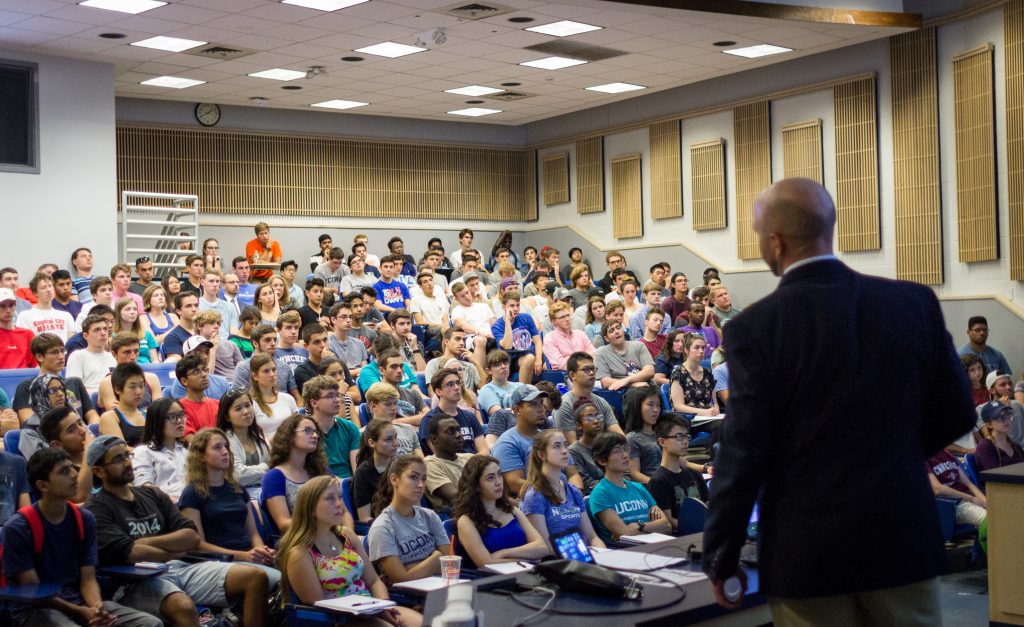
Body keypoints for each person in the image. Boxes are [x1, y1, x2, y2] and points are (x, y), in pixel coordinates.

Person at [702, 178, 975, 622]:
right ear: (829, 227)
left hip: (807, 547)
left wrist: (721, 554)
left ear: (775, 241)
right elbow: (957, 411)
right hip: (900, 531)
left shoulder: (755, 328)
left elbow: (744, 450)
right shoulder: (912, 302)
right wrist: (893, 455)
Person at [84, 435, 271, 627]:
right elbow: (129, 552)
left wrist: (144, 542)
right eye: (117, 459)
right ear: (99, 471)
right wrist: (174, 548)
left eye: (126, 456)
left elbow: (190, 536)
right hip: (135, 581)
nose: (127, 463)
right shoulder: (97, 508)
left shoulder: (152, 494)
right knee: (183, 606)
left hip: (181, 566)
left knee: (255, 578)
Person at [2, 448, 163, 627]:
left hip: (81, 604)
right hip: (35, 611)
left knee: (150, 623)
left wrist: (97, 608)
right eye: (64, 471)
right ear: (43, 485)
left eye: (72, 467)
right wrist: (82, 612)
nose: (74, 475)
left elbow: (88, 578)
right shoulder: (18, 528)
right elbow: (36, 594)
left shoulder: (84, 519)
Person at [276, 475, 422, 627]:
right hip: (340, 619)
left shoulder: (346, 535)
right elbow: (318, 604)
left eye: (339, 497)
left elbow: (373, 581)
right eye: (330, 499)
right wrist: (373, 613)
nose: (339, 504)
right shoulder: (300, 553)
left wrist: (384, 606)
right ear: (311, 509)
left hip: (372, 609)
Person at [177, 429, 280, 582]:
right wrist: (242, 556)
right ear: (201, 456)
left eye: (226, 447)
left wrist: (260, 551)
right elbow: (198, 545)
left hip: (247, 556)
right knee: (277, 580)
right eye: (217, 447)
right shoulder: (192, 493)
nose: (225, 452)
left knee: (295, 571)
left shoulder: (237, 489)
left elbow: (253, 534)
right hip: (218, 562)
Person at [366, 455, 452, 584]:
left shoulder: (430, 516)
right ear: (394, 480)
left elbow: (451, 563)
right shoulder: (382, 527)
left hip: (441, 586)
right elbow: (401, 579)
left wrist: (412, 569)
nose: (421, 484)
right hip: (412, 598)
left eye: (424, 479)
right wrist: (436, 557)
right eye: (413, 477)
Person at [453, 455, 549, 568]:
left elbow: (542, 548)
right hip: (494, 581)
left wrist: (504, 553)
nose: (498, 482)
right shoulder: (466, 521)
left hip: (527, 575)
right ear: (475, 485)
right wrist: (528, 559)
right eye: (490, 478)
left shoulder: (513, 510)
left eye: (499, 474)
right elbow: (485, 564)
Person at [519, 430, 605, 551]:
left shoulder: (574, 491)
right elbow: (547, 548)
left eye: (565, 445)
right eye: (557, 446)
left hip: (585, 556)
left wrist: (605, 555)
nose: (565, 451)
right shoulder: (535, 496)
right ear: (541, 454)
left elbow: (592, 537)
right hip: (561, 564)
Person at [261, 414, 343, 535]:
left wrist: (346, 537)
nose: (315, 435)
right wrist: (323, 530)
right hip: (301, 542)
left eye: (316, 432)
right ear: (290, 436)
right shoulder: (274, 477)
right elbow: (284, 524)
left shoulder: (322, 470)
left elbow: (344, 513)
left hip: (334, 535)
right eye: (308, 431)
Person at [587, 432, 672, 543]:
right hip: (623, 553)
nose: (625, 455)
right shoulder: (600, 493)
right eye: (617, 451)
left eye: (625, 449)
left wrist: (639, 526)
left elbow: (666, 526)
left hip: (654, 546)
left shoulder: (639, 487)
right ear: (602, 460)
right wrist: (653, 527)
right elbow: (625, 535)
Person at [14, 334, 97, 424]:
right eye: (54, 352)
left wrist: (90, 431)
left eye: (62, 351)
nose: (61, 356)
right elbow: (28, 422)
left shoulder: (74, 382)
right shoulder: (27, 386)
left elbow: (93, 416)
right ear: (39, 357)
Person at [647, 414, 708, 532]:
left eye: (687, 436)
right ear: (662, 442)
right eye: (679, 437)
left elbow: (707, 506)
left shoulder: (695, 474)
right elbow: (670, 521)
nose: (685, 442)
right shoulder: (658, 481)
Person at [491, 385, 551, 495]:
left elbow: (572, 473)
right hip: (533, 502)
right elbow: (514, 484)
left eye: (541, 402)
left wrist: (571, 491)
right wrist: (555, 492)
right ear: (517, 410)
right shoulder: (507, 443)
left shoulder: (549, 438)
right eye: (533, 404)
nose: (541, 409)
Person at [554, 352, 624, 444]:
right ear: (572, 375)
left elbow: (619, 435)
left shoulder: (601, 402)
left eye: (593, 369)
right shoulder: (564, 405)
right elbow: (572, 447)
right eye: (586, 369)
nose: (591, 373)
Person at [417, 368, 487, 455]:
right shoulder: (429, 420)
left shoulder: (469, 416)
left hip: (475, 465)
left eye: (458, 383)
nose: (457, 387)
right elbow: (442, 457)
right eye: (450, 384)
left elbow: (485, 451)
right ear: (438, 391)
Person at [131, 397, 188, 501]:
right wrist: (176, 503)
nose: (180, 420)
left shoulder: (187, 450)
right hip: (163, 508)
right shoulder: (143, 452)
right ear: (158, 421)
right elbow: (144, 488)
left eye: (181, 415)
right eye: (173, 417)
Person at [217, 388, 270, 498]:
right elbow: (237, 476)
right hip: (236, 495)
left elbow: (274, 466)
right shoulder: (224, 441)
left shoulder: (258, 436)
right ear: (227, 416)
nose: (246, 412)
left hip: (263, 491)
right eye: (238, 409)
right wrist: (265, 467)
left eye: (248, 405)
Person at [304, 375, 361, 478]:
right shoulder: (304, 432)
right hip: (319, 485)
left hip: (349, 484)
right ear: (314, 403)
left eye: (337, 395)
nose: (337, 400)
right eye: (330, 396)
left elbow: (357, 469)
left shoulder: (350, 428)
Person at [39, 406, 94, 503]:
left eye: (80, 423)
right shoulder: (59, 472)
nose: (83, 431)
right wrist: (89, 451)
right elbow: (79, 496)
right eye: (72, 430)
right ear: (56, 444)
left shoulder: (101, 454)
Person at [926, 448, 987, 530]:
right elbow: (937, 489)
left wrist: (984, 501)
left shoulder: (946, 453)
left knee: (1000, 510)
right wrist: (971, 499)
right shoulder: (924, 459)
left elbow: (968, 483)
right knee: (987, 519)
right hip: (950, 503)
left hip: (967, 497)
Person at [352, 418, 399, 522]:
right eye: (389, 439)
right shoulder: (363, 473)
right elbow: (364, 518)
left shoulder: (400, 466)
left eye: (396, 437)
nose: (395, 443)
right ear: (372, 443)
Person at [364, 382, 423, 458]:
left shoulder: (408, 430)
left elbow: (421, 462)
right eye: (388, 404)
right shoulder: (364, 434)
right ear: (373, 406)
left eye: (395, 403)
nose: (394, 408)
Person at [250, 352, 300, 440]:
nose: (272, 374)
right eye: (266, 371)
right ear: (255, 376)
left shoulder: (288, 399)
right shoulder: (250, 404)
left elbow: (297, 428)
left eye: (274, 370)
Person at [98, 363, 149, 447]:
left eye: (141, 386)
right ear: (117, 389)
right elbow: (122, 451)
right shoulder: (110, 418)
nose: (139, 392)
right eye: (132, 387)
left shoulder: (148, 415)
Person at [594, 319, 655, 390]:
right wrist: (633, 385)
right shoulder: (601, 353)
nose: (616, 332)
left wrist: (627, 380)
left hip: (648, 387)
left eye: (618, 328)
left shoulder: (639, 345)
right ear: (606, 338)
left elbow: (650, 371)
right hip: (622, 391)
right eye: (611, 331)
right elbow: (605, 381)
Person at [669, 333, 719, 416]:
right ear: (686, 350)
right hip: (687, 419)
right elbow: (678, 406)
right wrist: (705, 412)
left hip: (707, 418)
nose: (701, 351)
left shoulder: (708, 373)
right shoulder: (678, 373)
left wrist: (716, 409)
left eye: (703, 348)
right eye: (696, 348)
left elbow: (715, 402)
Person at [16, 273, 76, 342]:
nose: (48, 290)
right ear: (35, 293)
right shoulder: (25, 316)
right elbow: (23, 341)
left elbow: (71, 341)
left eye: (50, 286)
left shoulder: (66, 315)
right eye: (43, 287)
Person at [65, 314, 115, 395]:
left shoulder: (113, 356)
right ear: (85, 335)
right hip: (89, 401)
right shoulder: (78, 356)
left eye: (105, 329)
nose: (103, 333)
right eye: (97, 330)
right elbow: (73, 389)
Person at [622, 385, 662, 484]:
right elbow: (635, 474)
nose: (655, 410)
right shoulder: (632, 438)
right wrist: (659, 486)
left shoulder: (663, 433)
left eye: (658, 405)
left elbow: (681, 462)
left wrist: (705, 468)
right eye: (650, 405)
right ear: (638, 407)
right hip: (650, 487)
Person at [973, 401, 1024, 474]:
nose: (1006, 420)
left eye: (1007, 415)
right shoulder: (985, 446)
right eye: (999, 417)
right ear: (989, 424)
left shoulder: (1016, 446)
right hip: (1000, 485)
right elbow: (997, 477)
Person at [567, 399, 604, 495]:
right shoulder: (573, 451)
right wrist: (613, 485)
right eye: (589, 418)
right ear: (579, 426)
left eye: (598, 416)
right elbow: (587, 484)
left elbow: (624, 474)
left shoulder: (608, 444)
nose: (596, 421)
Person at [114, 297, 159, 364]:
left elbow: (155, 360)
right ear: (118, 313)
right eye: (128, 309)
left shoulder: (146, 334)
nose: (132, 312)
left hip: (147, 369)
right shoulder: (113, 336)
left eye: (135, 309)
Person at [0, 287, 37, 369]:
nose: (8, 310)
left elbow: (35, 365)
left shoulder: (28, 334)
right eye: (2, 306)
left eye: (11, 305)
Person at [197, 270, 237, 339]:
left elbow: (234, 331)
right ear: (202, 282)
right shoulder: (196, 305)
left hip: (226, 344)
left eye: (217, 281)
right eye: (211, 281)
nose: (215, 284)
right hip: (203, 344)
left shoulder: (230, 306)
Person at [161, 292, 199, 363]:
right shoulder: (172, 337)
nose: (194, 309)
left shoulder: (204, 330)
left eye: (196, 305)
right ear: (178, 311)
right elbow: (175, 362)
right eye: (188, 306)